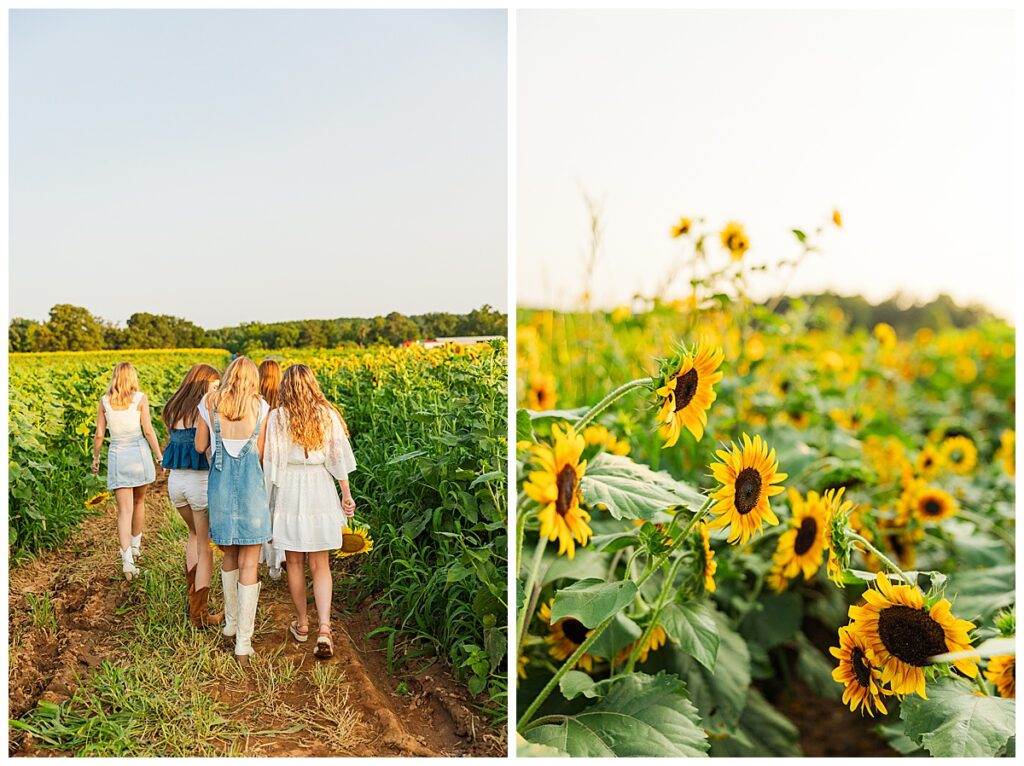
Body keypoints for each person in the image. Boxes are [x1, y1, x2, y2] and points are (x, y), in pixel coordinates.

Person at [264, 364, 357, 659]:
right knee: (321, 564)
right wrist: (346, 493)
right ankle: (325, 629)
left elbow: (271, 461)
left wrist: (269, 497)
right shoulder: (327, 414)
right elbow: (338, 457)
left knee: (294, 561)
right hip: (320, 485)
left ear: (285, 387)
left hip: (291, 486)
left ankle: (302, 624)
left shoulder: (277, 417)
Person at [195, 357, 270, 667]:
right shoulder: (262, 408)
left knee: (229, 555)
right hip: (252, 492)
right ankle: (243, 643)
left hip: (221, 490)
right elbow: (262, 454)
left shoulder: (210, 401)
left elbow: (200, 446)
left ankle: (230, 624)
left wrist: (217, 444)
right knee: (250, 562)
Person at [162, 363, 223, 627]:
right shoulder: (205, 409)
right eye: (215, 386)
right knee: (205, 546)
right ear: (204, 384)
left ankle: (192, 596)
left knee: (193, 535)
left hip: (176, 484)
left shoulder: (174, 407)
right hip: (199, 483)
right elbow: (205, 447)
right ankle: (199, 614)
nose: (217, 390)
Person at [91, 362, 163, 581]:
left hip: (118, 456)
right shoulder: (140, 399)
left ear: (114, 377)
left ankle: (127, 562)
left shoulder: (105, 401)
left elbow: (99, 435)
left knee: (124, 510)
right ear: (132, 377)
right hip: (139, 455)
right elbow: (148, 431)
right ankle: (135, 547)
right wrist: (159, 456)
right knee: (139, 502)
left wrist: (95, 458)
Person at [257, 358, 285, 580]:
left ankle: (269, 562)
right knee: (281, 509)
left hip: (260, 462)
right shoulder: (284, 402)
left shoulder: (255, 401)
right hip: (281, 463)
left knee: (264, 509)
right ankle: (281, 556)